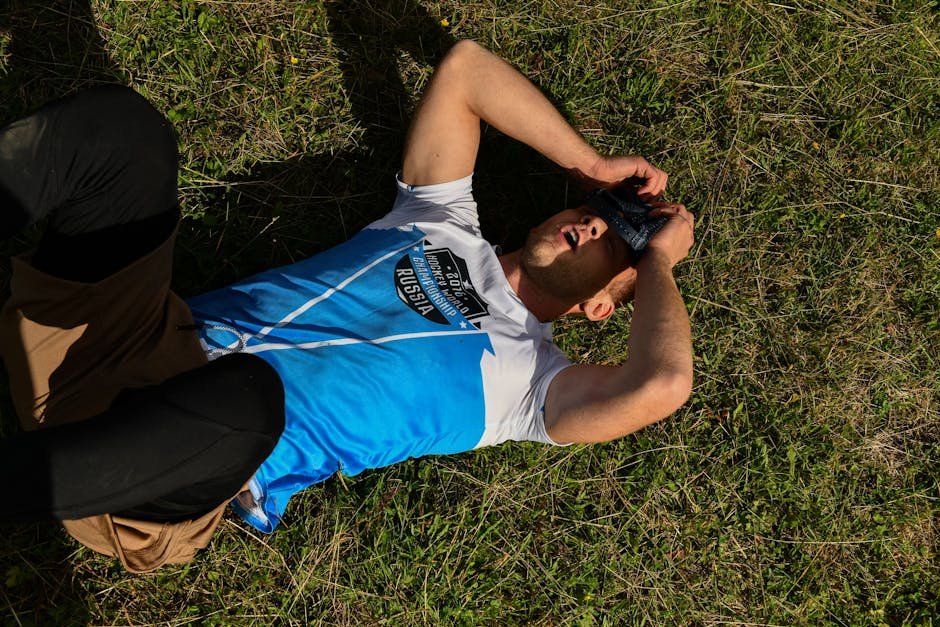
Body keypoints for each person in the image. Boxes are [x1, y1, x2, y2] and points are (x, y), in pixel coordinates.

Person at [0, 40, 694, 572]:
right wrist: (591, 163)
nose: (594, 224)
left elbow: (659, 384)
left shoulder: (531, 384)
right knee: (126, 134)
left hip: (154, 479)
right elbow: (466, 70)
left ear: (601, 306)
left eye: (615, 244)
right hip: (113, 340)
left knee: (250, 400)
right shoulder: (442, 220)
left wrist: (658, 260)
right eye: (595, 209)